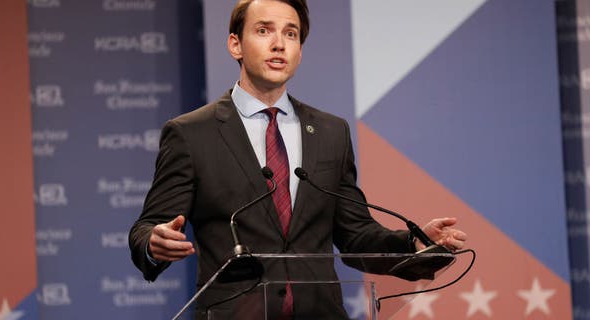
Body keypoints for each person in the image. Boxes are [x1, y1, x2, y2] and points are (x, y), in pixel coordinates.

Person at [129, 0, 467, 318]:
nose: (279, 44)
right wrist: (154, 242)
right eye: (264, 31)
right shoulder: (192, 133)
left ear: (299, 50)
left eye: (290, 33)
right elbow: (147, 228)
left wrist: (413, 241)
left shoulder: (330, 131)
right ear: (235, 45)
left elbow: (355, 234)